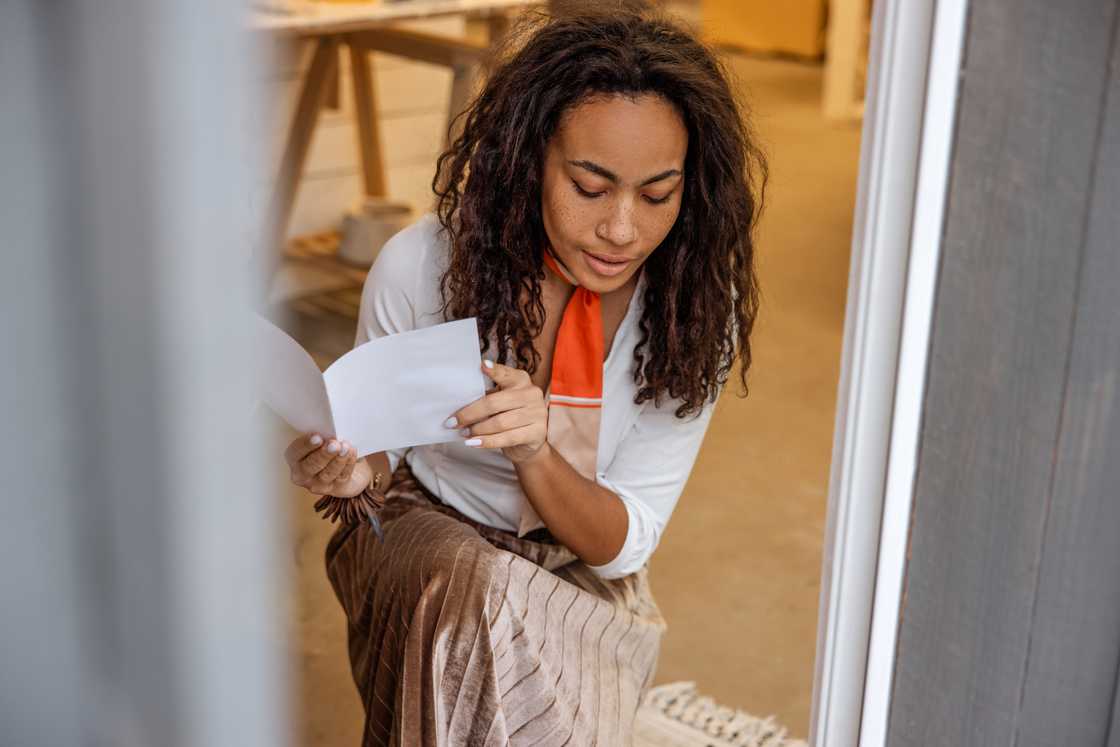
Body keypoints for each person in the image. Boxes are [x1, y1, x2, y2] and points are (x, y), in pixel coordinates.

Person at [283, 1, 766, 743]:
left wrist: (535, 452)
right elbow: (382, 453)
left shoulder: (693, 310)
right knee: (477, 592)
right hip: (426, 537)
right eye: (590, 185)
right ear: (529, 156)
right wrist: (350, 468)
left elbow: (623, 541)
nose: (622, 228)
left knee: (504, 635)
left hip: (578, 566)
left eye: (658, 193)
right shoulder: (422, 265)